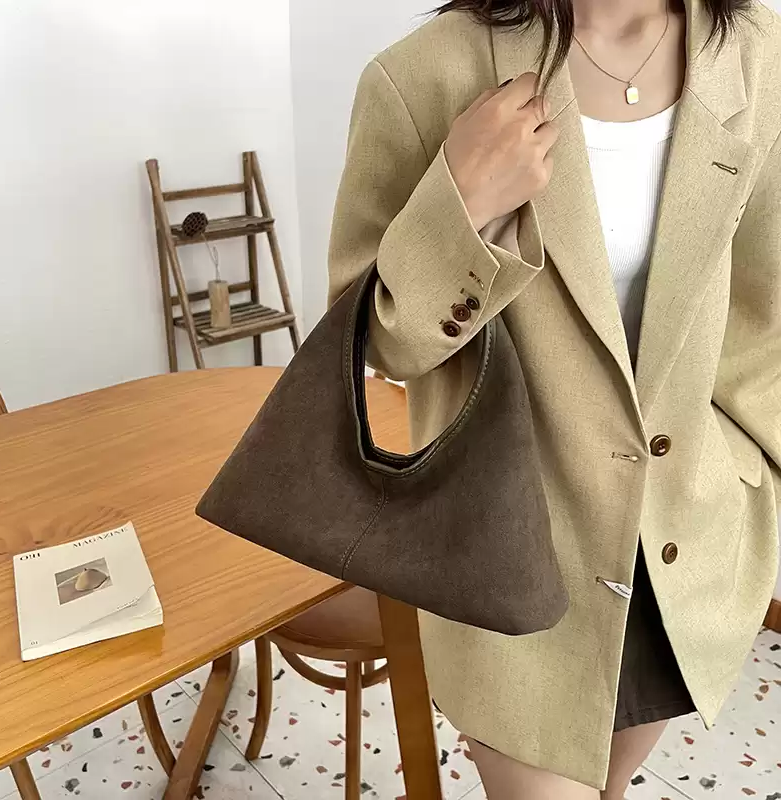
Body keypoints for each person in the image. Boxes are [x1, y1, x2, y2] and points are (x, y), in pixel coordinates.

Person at [328, 0, 781, 797]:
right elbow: (370, 342)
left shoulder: (755, 54)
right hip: (517, 556)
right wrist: (461, 206)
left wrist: (754, 476)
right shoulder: (423, 75)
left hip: (681, 544)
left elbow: (763, 311)